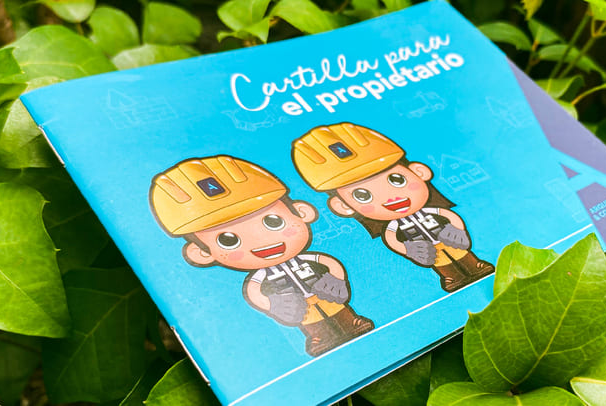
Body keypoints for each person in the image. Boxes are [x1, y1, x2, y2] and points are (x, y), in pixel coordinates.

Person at [149, 155, 373, 356]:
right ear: (201, 253)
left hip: (321, 290)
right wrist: (272, 304)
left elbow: (326, 261)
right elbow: (254, 290)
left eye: (273, 221)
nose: (261, 239)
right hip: (293, 301)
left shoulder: (308, 258)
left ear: (301, 212)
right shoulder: (259, 276)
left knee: (337, 307)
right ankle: (319, 336)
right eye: (228, 239)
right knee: (307, 319)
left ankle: (351, 321)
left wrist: (335, 278)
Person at [291, 123, 493, 292]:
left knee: (459, 250)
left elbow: (448, 215)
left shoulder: (432, 211)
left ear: (419, 172)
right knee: (439, 260)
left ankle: (474, 264)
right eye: (363, 195)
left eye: (397, 179)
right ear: (343, 206)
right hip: (425, 247)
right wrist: (408, 249)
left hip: (448, 239)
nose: (390, 197)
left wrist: (456, 229)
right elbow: (392, 238)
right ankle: (450, 276)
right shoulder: (393, 227)